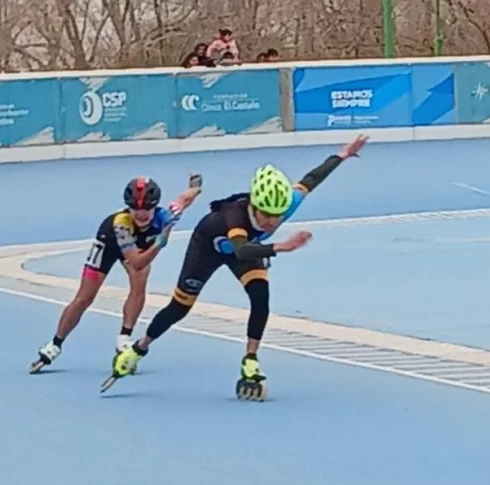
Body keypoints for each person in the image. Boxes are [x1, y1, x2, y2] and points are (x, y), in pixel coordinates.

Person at [101, 135, 369, 399]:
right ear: (255, 205)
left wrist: (343, 154)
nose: (272, 222)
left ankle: (250, 360)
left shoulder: (285, 203)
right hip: (208, 246)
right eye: (266, 216)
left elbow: (312, 179)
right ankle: (138, 348)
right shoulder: (235, 216)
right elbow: (241, 249)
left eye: (278, 216)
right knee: (179, 307)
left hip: (245, 248)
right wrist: (280, 247)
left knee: (260, 296)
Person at [29, 173, 203, 374]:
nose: (141, 214)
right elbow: (137, 262)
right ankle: (55, 344)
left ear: (155, 206)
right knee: (84, 298)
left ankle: (124, 339)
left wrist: (195, 185)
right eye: (135, 209)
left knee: (140, 283)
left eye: (146, 209)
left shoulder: (167, 216)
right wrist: (159, 243)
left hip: (139, 246)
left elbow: (185, 199)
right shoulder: (121, 223)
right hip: (111, 241)